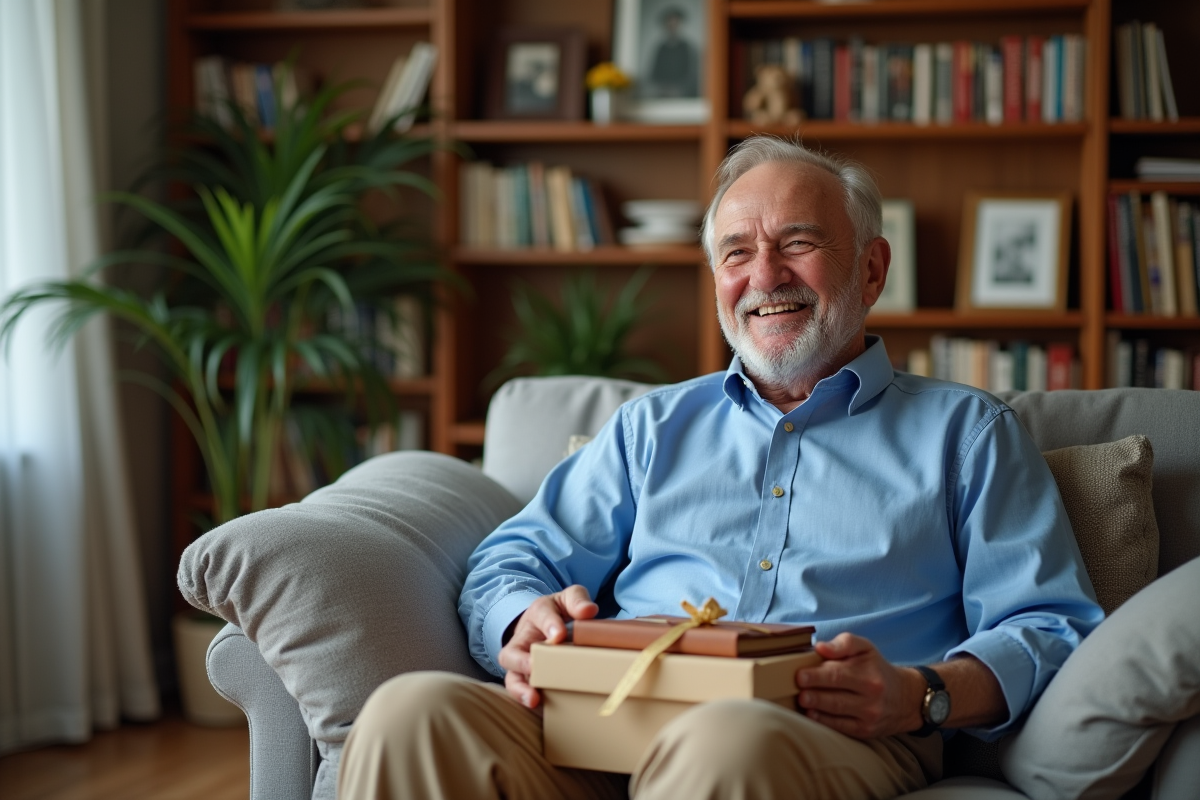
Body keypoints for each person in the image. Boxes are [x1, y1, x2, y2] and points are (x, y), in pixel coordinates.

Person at [338, 137, 1103, 800]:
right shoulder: (652, 427)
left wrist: (918, 695)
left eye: (797, 242)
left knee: (724, 743)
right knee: (410, 713)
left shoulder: (967, 435)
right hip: (610, 718)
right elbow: (514, 556)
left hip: (829, 739)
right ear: (716, 281)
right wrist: (522, 618)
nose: (764, 275)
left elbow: (1050, 625)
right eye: (737, 252)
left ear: (872, 271)